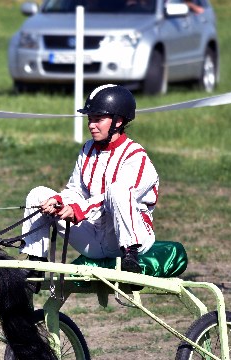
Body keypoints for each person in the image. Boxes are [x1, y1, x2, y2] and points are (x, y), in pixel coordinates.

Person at [20, 84, 159, 273]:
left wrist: (76, 210)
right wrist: (59, 201)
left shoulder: (136, 156)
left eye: (98, 119)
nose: (91, 125)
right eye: (90, 119)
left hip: (124, 239)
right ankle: (35, 265)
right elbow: (76, 190)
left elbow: (112, 198)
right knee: (38, 194)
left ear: (118, 121)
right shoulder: (87, 148)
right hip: (94, 238)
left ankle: (130, 255)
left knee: (117, 190)